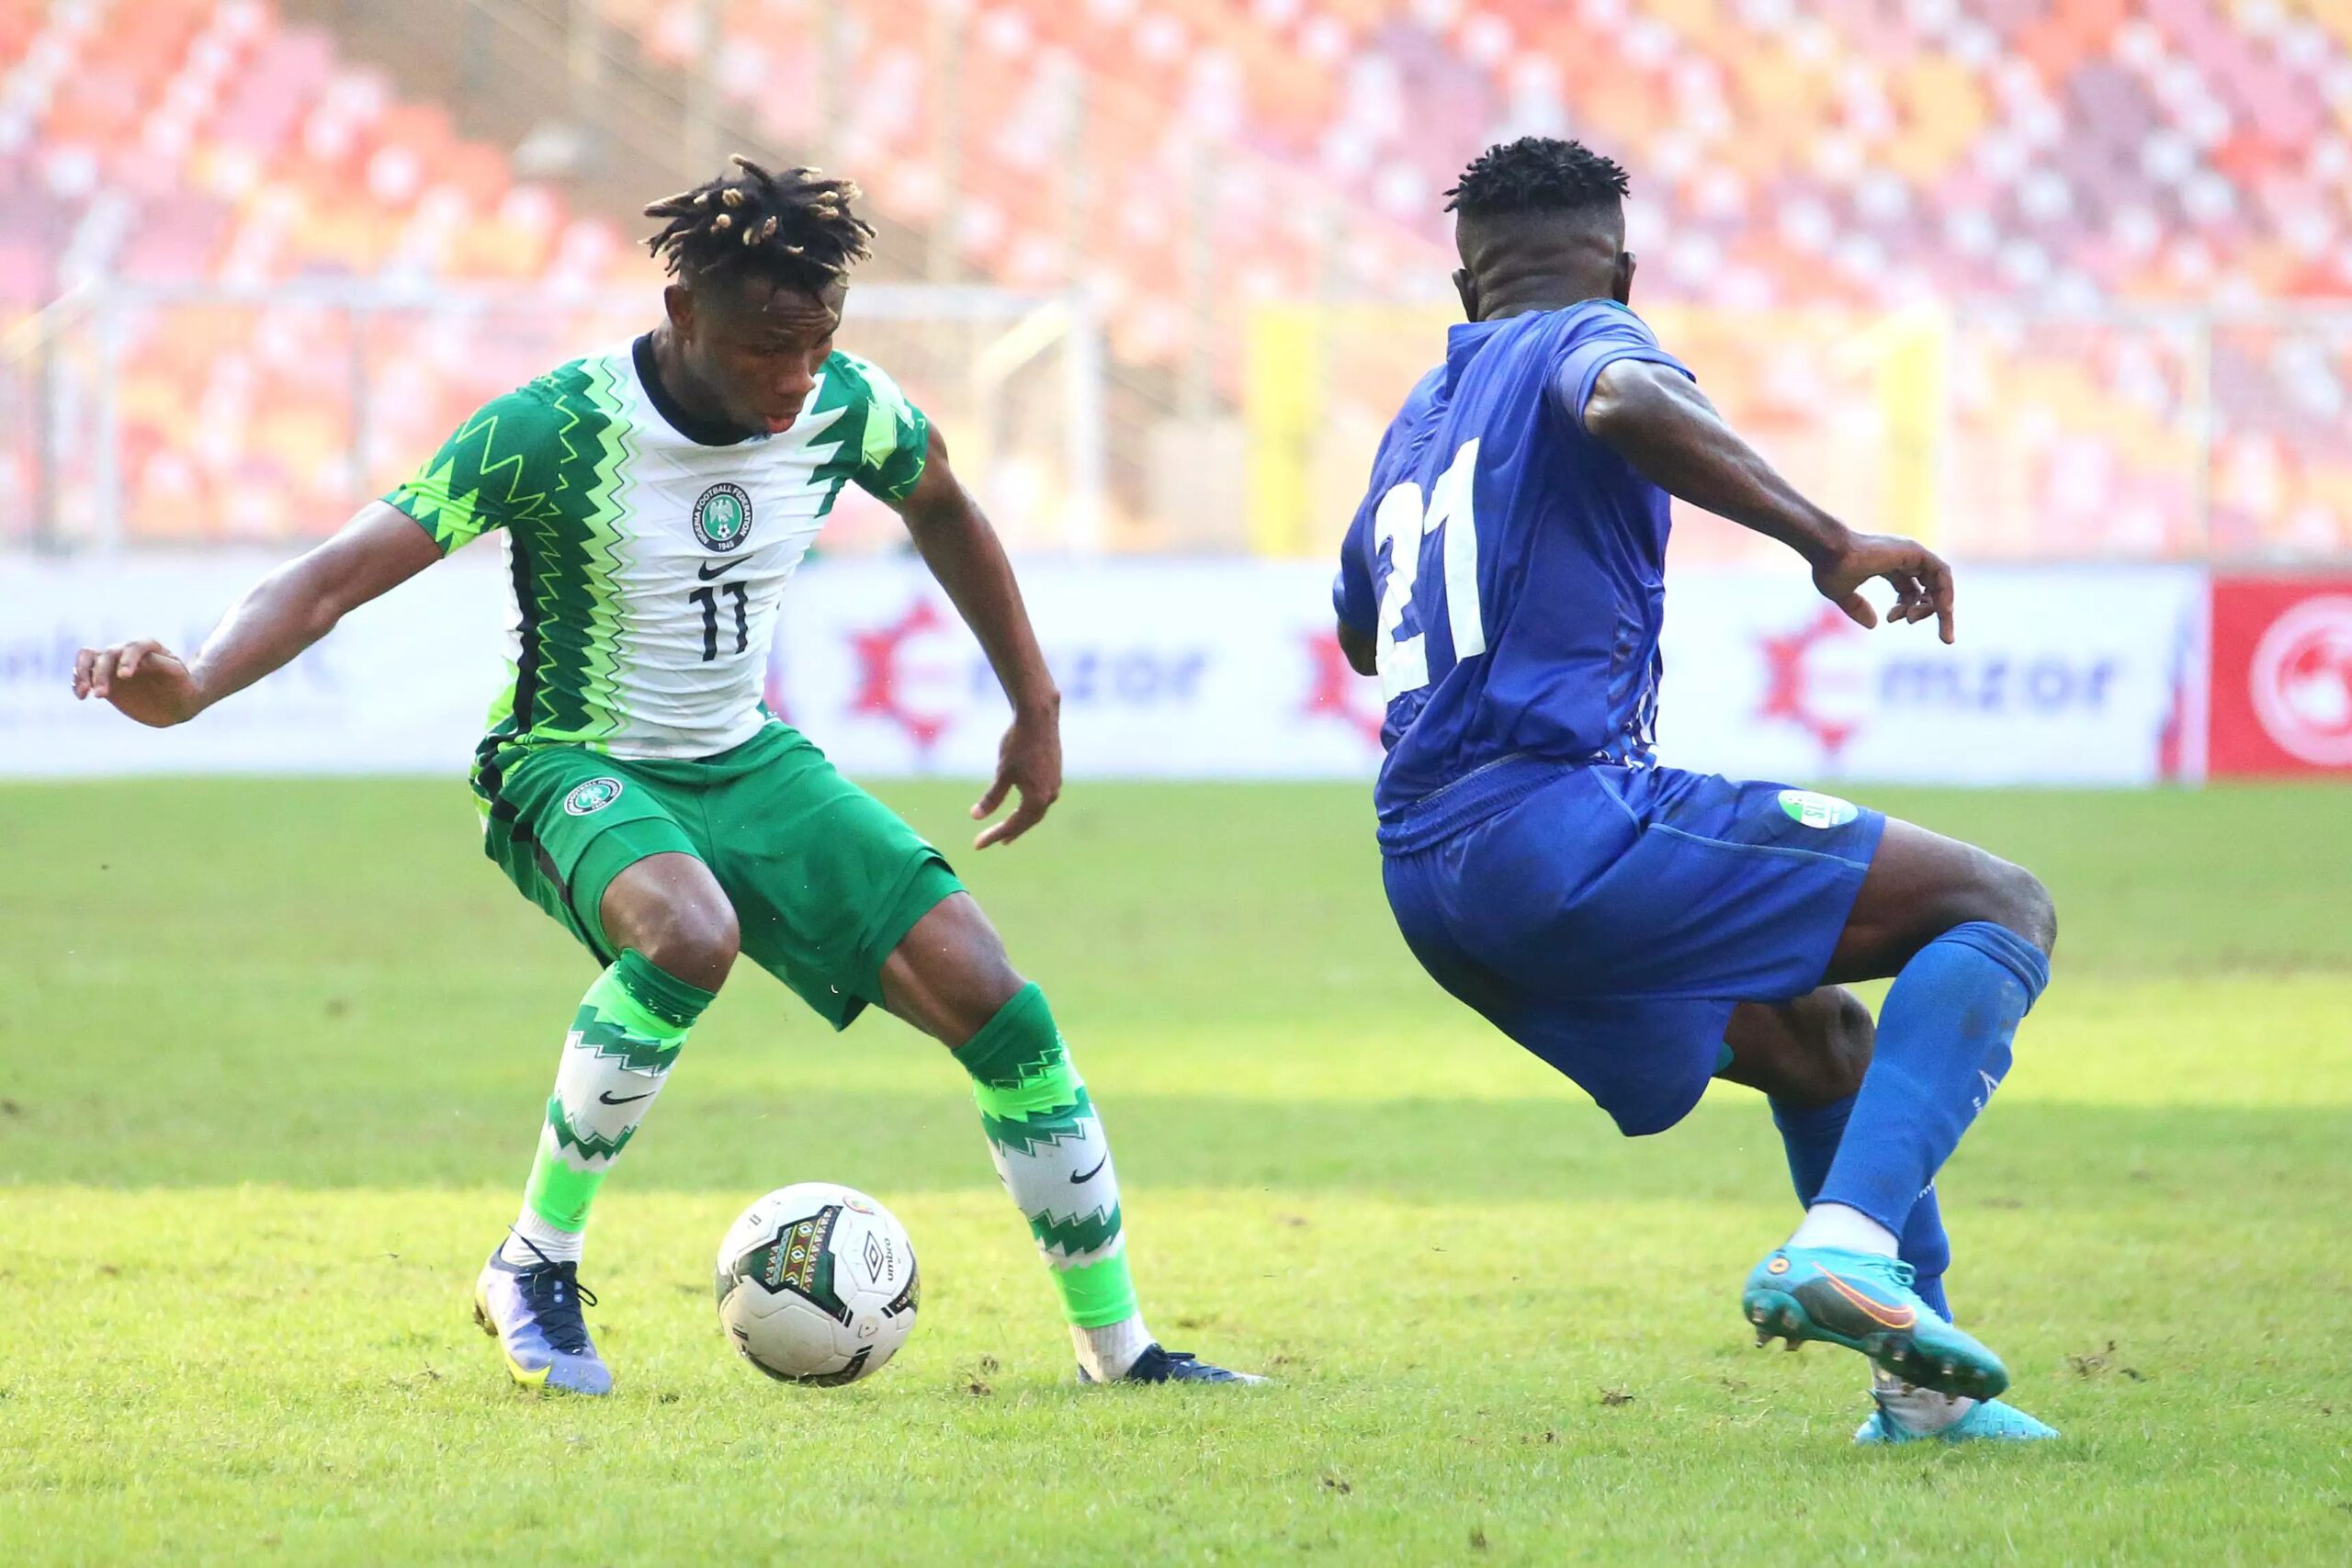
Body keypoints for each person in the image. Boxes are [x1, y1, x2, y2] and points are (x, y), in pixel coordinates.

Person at [73, 155, 1254, 1394]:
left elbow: (944, 505)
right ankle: (532, 1261)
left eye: (817, 346)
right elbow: (328, 577)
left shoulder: (850, 407)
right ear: (684, 317)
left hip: (748, 761)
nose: (796, 382)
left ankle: (1119, 1354)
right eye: (764, 349)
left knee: (1003, 1007)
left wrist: (1034, 700)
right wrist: (196, 682)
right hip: (567, 759)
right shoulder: (555, 428)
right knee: (690, 933)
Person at [1332, 138, 2057, 1444]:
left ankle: (1923, 1405)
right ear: (1623, 265)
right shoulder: (1594, 333)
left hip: (1427, 879)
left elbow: (1358, 628)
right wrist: (1828, 540)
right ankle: (1848, 1245)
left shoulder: (1412, 428)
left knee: (1818, 1037)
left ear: (1462, 287)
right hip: (1557, 821)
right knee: (1997, 905)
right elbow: (1618, 401)